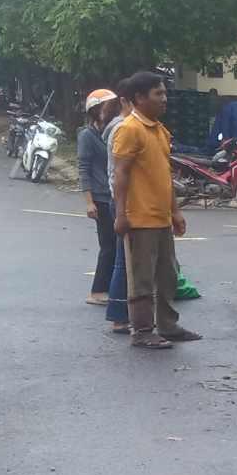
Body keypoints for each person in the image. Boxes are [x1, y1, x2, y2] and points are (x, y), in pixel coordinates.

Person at [111, 72, 199, 348]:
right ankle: (142, 330)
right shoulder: (129, 129)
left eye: (164, 93)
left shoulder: (159, 130)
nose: (164, 98)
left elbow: (164, 175)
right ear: (139, 98)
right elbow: (120, 175)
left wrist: (175, 211)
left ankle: (168, 326)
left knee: (168, 275)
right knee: (142, 279)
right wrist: (121, 214)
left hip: (160, 218)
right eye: (158, 94)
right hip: (139, 219)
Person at [78, 89, 121, 305]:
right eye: (106, 107)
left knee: (116, 245)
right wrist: (89, 202)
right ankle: (97, 291)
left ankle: (112, 288)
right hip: (101, 198)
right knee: (108, 246)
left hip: (114, 196)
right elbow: (83, 169)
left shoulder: (114, 132)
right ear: (95, 111)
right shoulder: (87, 136)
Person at [102, 91, 130, 333]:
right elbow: (119, 174)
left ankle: (124, 313)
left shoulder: (120, 126)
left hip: (122, 201)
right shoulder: (122, 128)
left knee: (126, 259)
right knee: (124, 259)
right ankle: (120, 315)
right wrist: (122, 211)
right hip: (123, 201)